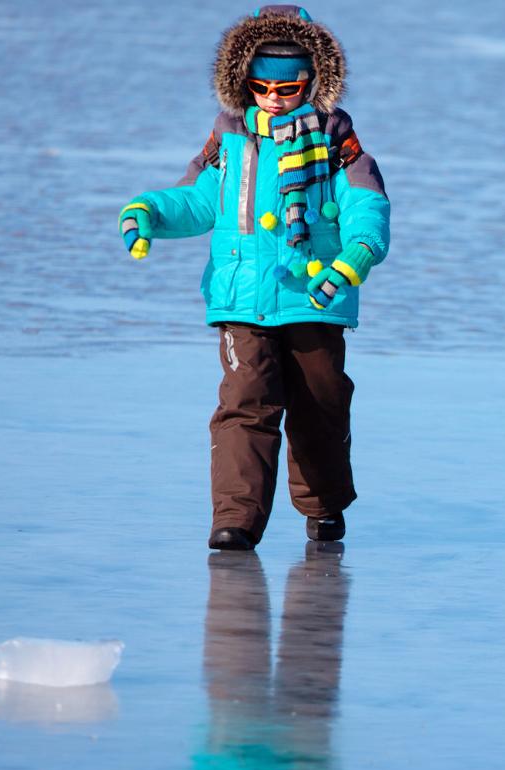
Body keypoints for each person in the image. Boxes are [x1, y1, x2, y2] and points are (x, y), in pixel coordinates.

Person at [119, 5, 390, 550]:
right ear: (242, 80)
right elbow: (197, 200)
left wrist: (358, 253)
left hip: (316, 294)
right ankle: (236, 521)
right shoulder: (230, 138)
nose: (273, 96)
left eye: (288, 86)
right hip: (240, 294)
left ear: (313, 79)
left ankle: (323, 505)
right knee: (245, 401)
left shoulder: (338, 141)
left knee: (320, 403)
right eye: (261, 84)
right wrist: (148, 210)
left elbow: (367, 206)